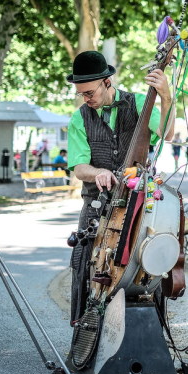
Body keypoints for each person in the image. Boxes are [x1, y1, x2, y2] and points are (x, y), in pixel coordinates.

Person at [66, 50, 174, 325]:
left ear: (107, 81)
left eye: (89, 92)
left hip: (136, 206)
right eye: (81, 94)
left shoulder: (139, 103)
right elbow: (79, 167)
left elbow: (168, 134)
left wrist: (166, 96)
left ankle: (147, 335)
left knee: (143, 268)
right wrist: (98, 171)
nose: (86, 99)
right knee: (85, 269)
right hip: (96, 207)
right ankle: (85, 339)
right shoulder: (79, 118)